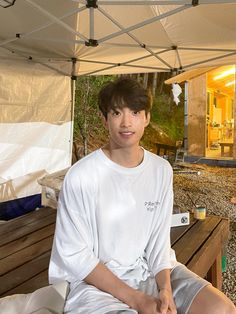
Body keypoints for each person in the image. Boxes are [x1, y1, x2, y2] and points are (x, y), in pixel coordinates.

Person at [49, 77, 236, 314]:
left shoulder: (160, 170)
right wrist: (137, 300)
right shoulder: (82, 176)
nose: (127, 122)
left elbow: (159, 241)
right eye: (117, 113)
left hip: (151, 269)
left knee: (222, 308)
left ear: (146, 118)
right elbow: (74, 254)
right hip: (95, 283)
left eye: (135, 112)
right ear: (104, 120)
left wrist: (165, 289)